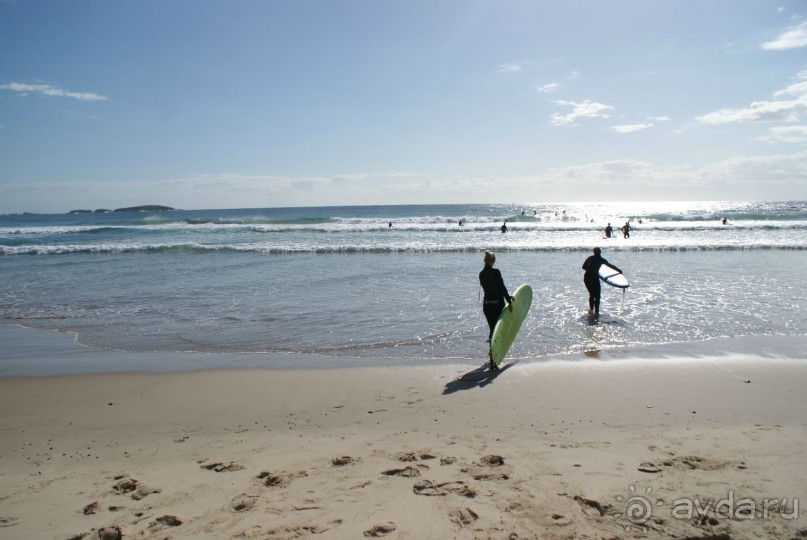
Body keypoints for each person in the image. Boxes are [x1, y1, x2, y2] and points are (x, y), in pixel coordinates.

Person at [479, 250, 513, 369]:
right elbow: (501, 287)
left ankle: (492, 355)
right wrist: (509, 301)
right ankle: (493, 358)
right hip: (497, 305)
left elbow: (489, 289)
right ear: (492, 261)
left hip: (487, 306)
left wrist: (509, 297)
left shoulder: (481, 274)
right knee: (498, 330)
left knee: (492, 329)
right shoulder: (496, 272)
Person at [582, 247, 621, 318]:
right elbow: (610, 266)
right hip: (594, 278)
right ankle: (596, 312)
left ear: (594, 252)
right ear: (600, 252)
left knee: (592, 294)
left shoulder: (590, 258)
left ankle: (591, 310)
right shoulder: (601, 260)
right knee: (597, 296)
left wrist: (591, 269)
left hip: (587, 277)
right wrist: (619, 270)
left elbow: (583, 267)